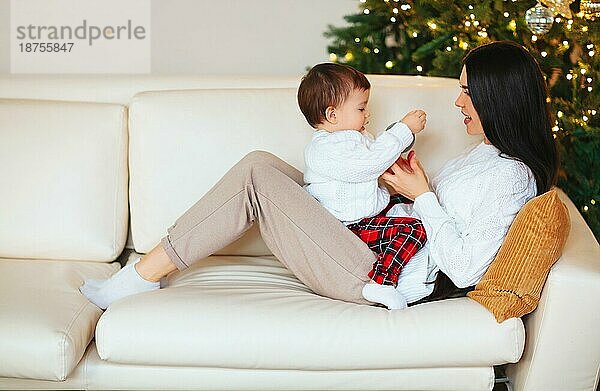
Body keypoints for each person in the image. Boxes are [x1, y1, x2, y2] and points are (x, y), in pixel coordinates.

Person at [80, 41, 559, 311]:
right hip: (367, 240)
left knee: (255, 175)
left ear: (499, 99)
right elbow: (435, 209)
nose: (458, 102)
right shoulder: (484, 156)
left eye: (467, 92)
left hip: (376, 271)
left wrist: (423, 196)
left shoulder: (511, 177)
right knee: (262, 163)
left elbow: (468, 268)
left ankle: (138, 279)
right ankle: (145, 274)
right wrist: (409, 186)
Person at [297, 63, 428, 310]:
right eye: (361, 108)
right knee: (414, 230)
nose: (367, 114)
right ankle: (381, 282)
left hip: (368, 213)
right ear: (332, 115)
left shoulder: (353, 138)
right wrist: (403, 130)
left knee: (406, 201)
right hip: (349, 227)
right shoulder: (325, 148)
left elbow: (376, 155)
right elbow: (369, 163)